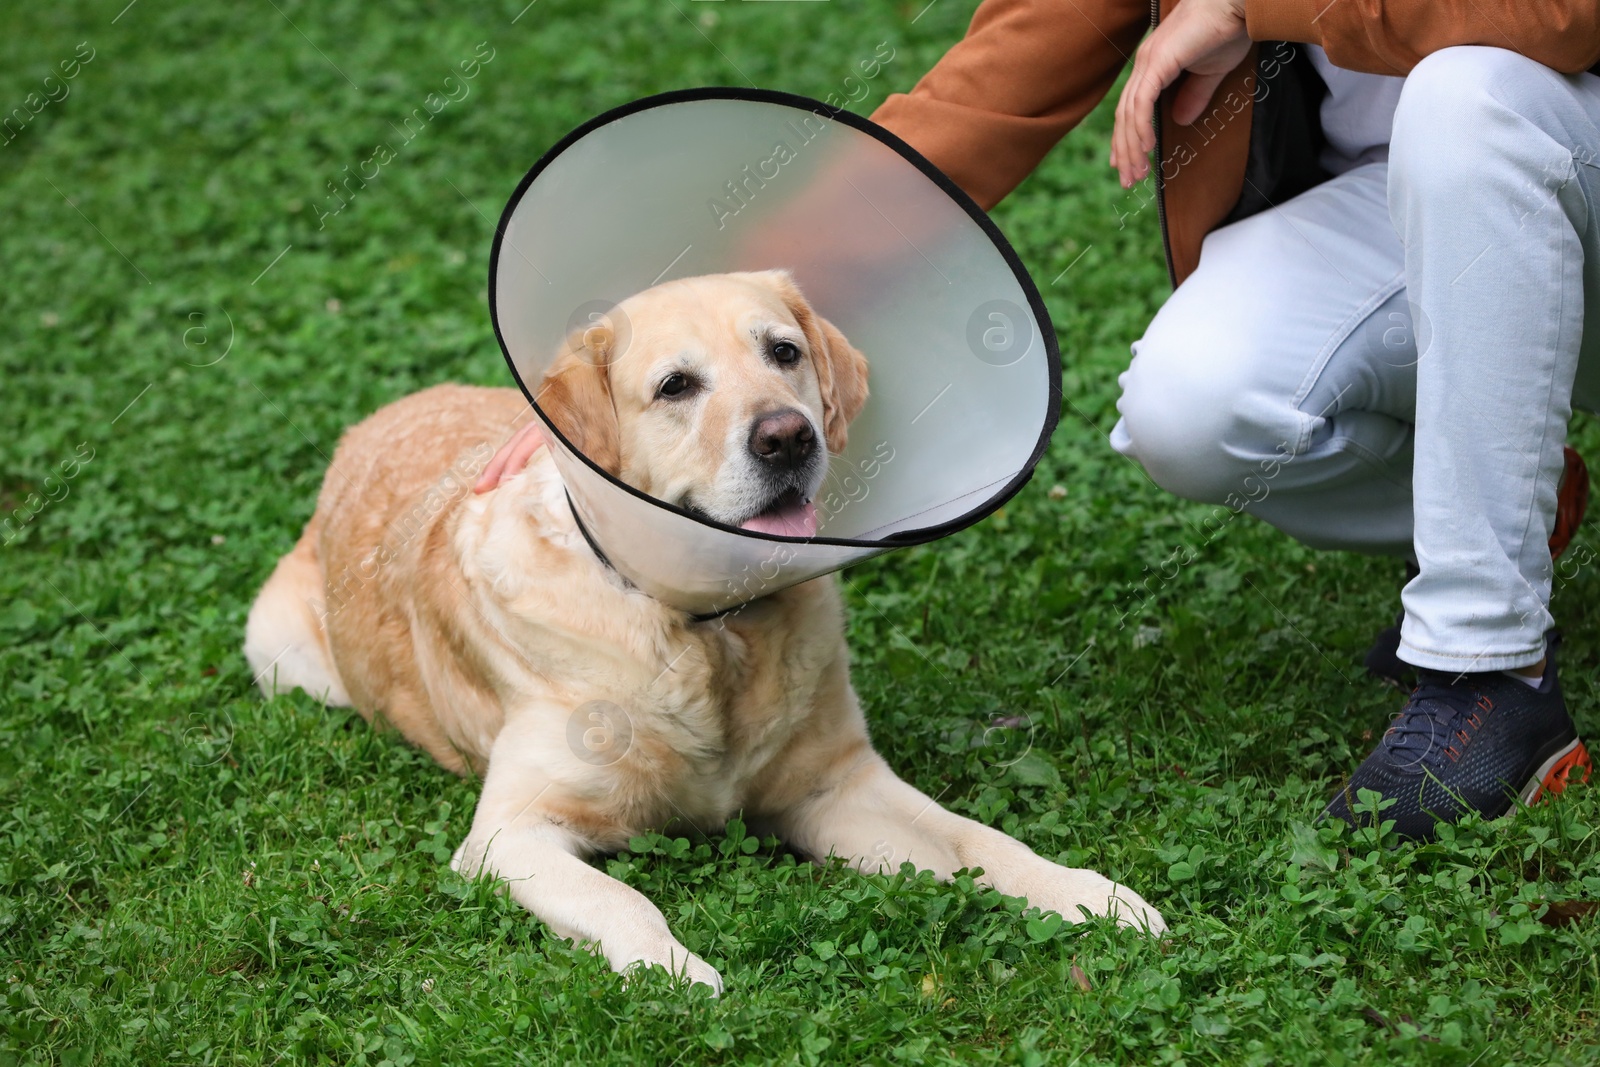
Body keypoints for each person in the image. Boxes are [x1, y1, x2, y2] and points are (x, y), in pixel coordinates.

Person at [478, 0, 1600, 839]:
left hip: (1554, 156)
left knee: (1469, 95)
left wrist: (1256, 10)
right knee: (1197, 404)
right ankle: (1491, 494)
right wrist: (670, 358)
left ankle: (1486, 668)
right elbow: (994, 81)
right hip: (1405, 207)